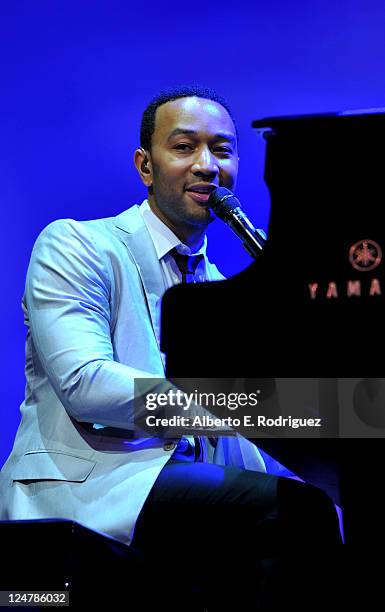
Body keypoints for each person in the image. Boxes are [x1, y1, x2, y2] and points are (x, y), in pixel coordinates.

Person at [0, 85, 342, 610]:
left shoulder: (225, 289)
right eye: (184, 147)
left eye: (223, 150)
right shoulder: (77, 245)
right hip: (83, 495)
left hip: (173, 505)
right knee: (298, 515)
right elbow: (86, 386)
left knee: (323, 511)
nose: (207, 165)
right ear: (145, 166)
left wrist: (340, 440)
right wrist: (256, 407)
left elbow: (243, 438)